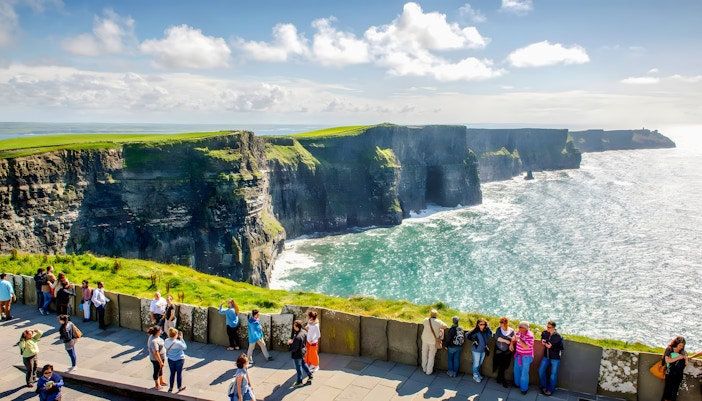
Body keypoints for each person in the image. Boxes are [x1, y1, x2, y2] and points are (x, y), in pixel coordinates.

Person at [538, 320, 564, 396]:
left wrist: (552, 347)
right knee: (540, 370)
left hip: (555, 358)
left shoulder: (559, 337)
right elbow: (542, 338)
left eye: (549, 327)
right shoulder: (545, 333)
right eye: (547, 327)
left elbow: (561, 348)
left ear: (553, 328)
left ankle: (551, 389)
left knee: (553, 375)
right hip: (546, 356)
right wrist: (542, 341)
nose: (547, 328)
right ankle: (544, 386)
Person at [421, 309, 448, 375]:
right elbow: (445, 326)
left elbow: (423, 323)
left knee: (424, 353)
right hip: (433, 341)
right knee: (431, 356)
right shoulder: (438, 322)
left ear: (430, 314)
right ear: (436, 315)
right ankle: (428, 371)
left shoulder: (426, 320)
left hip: (425, 339)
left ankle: (424, 368)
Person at [661, 336, 689, 401]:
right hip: (670, 373)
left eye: (682, 346)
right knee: (668, 391)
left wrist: (686, 359)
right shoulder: (669, 349)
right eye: (680, 345)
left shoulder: (683, 352)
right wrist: (678, 358)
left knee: (674, 392)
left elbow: (686, 364)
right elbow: (667, 360)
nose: (681, 347)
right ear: (676, 343)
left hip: (679, 374)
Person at [287, 319, 313, 386]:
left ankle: (299, 382)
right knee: (303, 364)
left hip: (297, 354)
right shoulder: (304, 332)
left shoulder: (297, 337)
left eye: (294, 326)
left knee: (298, 368)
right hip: (303, 351)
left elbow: (294, 348)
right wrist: (294, 342)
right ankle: (310, 375)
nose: (293, 327)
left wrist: (290, 344)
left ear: (297, 327)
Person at [511, 321, 535, 395]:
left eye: (520, 327)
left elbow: (526, 347)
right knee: (516, 370)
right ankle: (517, 384)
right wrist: (512, 344)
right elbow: (514, 338)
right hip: (518, 355)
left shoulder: (530, 336)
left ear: (525, 328)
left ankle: (524, 388)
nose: (519, 328)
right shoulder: (519, 332)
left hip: (526, 357)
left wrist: (519, 340)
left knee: (524, 373)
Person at [467, 317, 493, 382]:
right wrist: (474, 340)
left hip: (483, 350)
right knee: (476, 363)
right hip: (476, 350)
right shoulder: (476, 331)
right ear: (478, 324)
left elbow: (490, 335)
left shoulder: (485, 331)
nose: (482, 326)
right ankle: (475, 375)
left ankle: (477, 373)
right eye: (481, 324)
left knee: (480, 363)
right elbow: (467, 335)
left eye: (484, 324)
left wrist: (488, 327)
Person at [493, 317, 515, 387]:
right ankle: (501, 379)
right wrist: (505, 341)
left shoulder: (511, 330)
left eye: (502, 322)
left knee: (505, 365)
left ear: (506, 323)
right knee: (500, 364)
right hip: (499, 350)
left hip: (507, 351)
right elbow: (497, 338)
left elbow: (513, 339)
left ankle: (500, 379)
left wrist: (511, 344)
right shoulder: (499, 329)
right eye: (500, 322)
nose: (500, 324)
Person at [164, 327, 187, 393]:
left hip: (171, 359)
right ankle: (179, 387)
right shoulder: (178, 343)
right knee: (179, 374)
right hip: (179, 359)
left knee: (172, 373)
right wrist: (182, 338)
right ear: (175, 335)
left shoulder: (166, 341)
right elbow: (185, 347)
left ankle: (171, 387)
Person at [147, 325, 168, 390]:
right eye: (160, 330)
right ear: (157, 332)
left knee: (160, 369)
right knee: (156, 370)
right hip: (156, 359)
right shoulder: (154, 341)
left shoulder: (155, 337)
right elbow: (156, 352)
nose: (161, 331)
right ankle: (157, 384)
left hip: (161, 357)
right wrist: (160, 361)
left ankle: (161, 381)